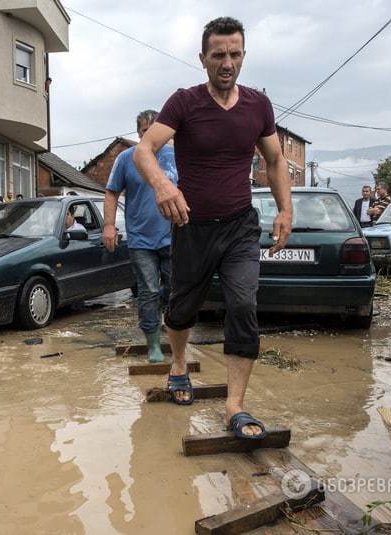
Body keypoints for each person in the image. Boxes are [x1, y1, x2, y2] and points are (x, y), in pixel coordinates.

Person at [133, 17, 292, 440]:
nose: (227, 62)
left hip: (240, 226)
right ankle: (179, 363)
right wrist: (164, 184)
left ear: (243, 56)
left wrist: (285, 210)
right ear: (202, 58)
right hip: (193, 226)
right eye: (218, 54)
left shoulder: (258, 105)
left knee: (243, 304)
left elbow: (275, 160)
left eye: (234, 54)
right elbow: (144, 151)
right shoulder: (184, 103)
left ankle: (235, 406)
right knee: (182, 309)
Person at [104, 109, 178, 363]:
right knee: (148, 290)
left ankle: (172, 330)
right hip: (141, 239)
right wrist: (109, 226)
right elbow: (112, 193)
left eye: (154, 130)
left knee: (175, 289)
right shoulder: (127, 159)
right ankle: (153, 344)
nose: (150, 136)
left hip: (173, 236)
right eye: (144, 131)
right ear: (138, 133)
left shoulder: (175, 157)